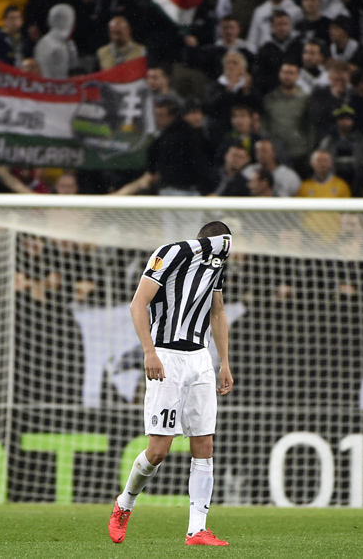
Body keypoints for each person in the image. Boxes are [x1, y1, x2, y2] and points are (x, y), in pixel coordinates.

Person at [109, 221, 233, 547]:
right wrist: (149, 351)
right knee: (159, 450)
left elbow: (217, 313)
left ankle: (197, 530)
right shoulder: (171, 254)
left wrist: (224, 363)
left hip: (200, 359)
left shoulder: (216, 267)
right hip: (167, 356)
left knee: (204, 444)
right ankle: (125, 504)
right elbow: (138, 303)